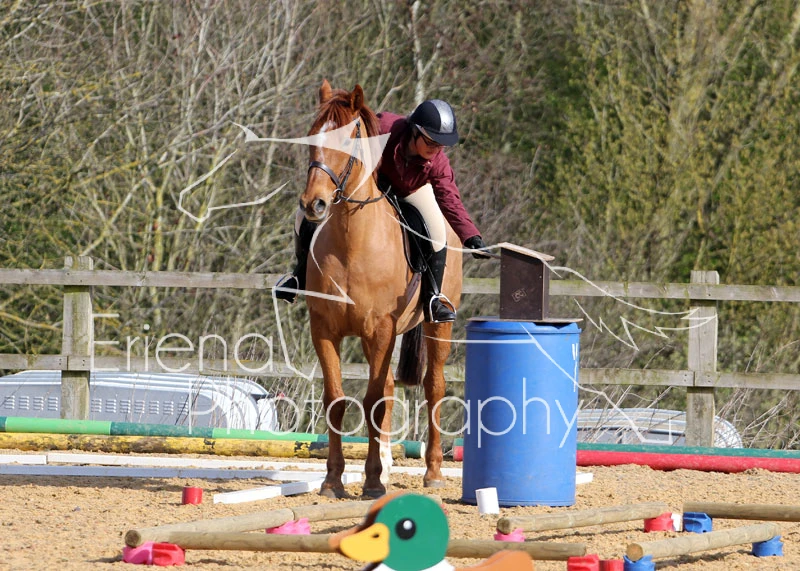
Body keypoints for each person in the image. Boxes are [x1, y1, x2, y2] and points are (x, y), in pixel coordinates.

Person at [275, 98, 490, 323]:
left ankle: (433, 297)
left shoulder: (439, 164)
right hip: (372, 184)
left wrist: (471, 237)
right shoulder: (384, 128)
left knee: (437, 231)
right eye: (430, 141)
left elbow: (450, 200)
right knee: (303, 214)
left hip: (410, 191)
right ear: (415, 131)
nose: (435, 148)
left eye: (440, 144)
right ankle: (299, 276)